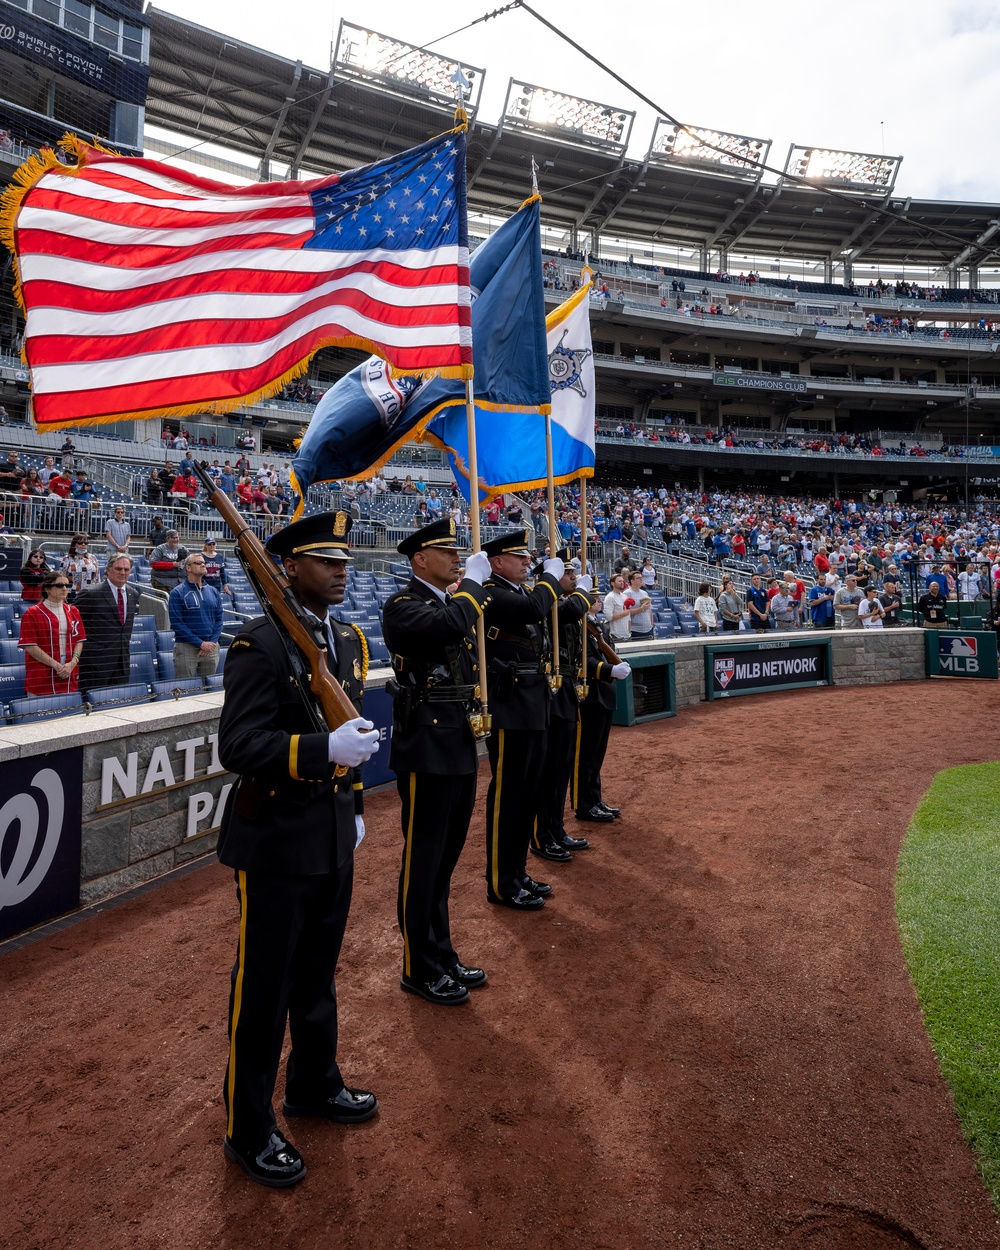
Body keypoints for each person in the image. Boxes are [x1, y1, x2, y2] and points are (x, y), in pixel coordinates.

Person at [216, 511, 380, 1189]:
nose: (341, 569)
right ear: (288, 568)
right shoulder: (260, 646)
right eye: (324, 560)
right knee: (265, 988)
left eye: (344, 560)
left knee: (316, 975)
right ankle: (247, 1127)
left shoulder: (342, 638)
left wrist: (357, 802)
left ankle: (313, 1083)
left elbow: (352, 726)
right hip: (278, 840)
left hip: (332, 833)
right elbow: (238, 746)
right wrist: (319, 752)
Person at [381, 518, 492, 1006]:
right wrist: (471, 584)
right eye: (445, 552)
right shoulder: (403, 605)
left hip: (458, 741)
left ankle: (441, 951)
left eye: (457, 553)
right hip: (426, 746)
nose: (455, 558)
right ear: (419, 559)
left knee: (445, 859)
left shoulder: (447, 602)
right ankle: (417, 965)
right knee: (424, 860)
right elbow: (447, 628)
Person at [481, 530, 565, 910]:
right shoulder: (489, 591)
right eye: (519, 557)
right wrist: (551, 576)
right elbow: (535, 609)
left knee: (527, 794)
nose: (526, 562)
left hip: (531, 703)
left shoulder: (512, 591)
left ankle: (516, 872)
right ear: (498, 562)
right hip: (510, 706)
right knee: (509, 797)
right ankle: (501, 882)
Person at [533, 560, 597, 857]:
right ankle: (541, 835)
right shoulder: (545, 602)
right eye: (568, 573)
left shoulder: (564, 602)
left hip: (567, 689)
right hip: (551, 692)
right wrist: (584, 593)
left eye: (573, 573)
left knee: (561, 769)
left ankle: (556, 827)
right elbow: (570, 611)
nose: (574, 577)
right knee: (547, 772)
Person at [573, 593, 629, 822]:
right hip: (589, 696)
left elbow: (606, 650)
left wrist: (615, 665)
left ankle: (595, 798)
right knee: (585, 755)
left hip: (604, 693)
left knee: (597, 755)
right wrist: (608, 670)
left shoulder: (598, 624)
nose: (597, 601)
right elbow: (580, 660)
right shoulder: (576, 624)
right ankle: (583, 804)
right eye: (592, 597)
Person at [75, 554, 139, 693]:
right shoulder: (91, 594)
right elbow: (75, 625)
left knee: (118, 705)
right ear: (108, 570)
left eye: (126, 569)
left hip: (121, 663)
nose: (123, 572)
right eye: (118, 568)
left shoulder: (133, 593)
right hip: (95, 664)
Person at [18, 569, 86, 696]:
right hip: (42, 672)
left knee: (69, 712)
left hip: (69, 671)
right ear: (47, 589)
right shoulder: (32, 613)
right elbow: (30, 646)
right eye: (59, 585)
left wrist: (73, 663)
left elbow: (79, 640)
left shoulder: (74, 611)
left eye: (67, 585)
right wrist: (56, 665)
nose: (64, 588)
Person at [169, 553, 224, 679]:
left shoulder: (213, 591)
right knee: (185, 689)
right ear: (188, 568)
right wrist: (200, 643)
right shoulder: (177, 593)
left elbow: (219, 620)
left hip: (211, 649)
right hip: (186, 648)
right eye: (198, 563)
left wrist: (211, 642)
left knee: (208, 692)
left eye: (204, 562)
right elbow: (177, 624)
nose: (203, 564)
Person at [61, 533, 100, 599]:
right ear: (74, 544)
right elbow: (62, 576)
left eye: (86, 543)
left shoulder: (93, 557)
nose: (83, 544)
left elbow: (97, 577)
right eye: (80, 543)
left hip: (90, 592)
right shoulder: (67, 558)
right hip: (73, 593)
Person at [624, 569, 654, 639]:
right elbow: (625, 612)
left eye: (641, 577)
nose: (641, 579)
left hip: (648, 629)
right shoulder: (627, 593)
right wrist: (641, 609)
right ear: (632, 581)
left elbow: (650, 611)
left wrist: (651, 624)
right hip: (635, 630)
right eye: (638, 578)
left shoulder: (645, 593)